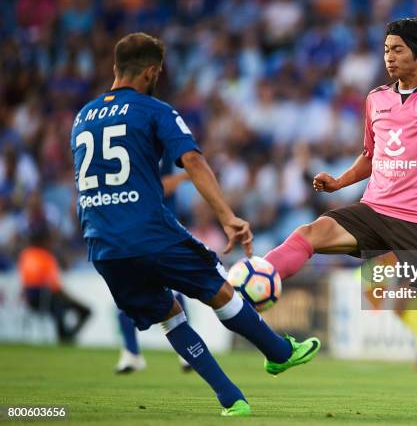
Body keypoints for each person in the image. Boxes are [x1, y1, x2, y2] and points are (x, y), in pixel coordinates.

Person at [265, 18, 417, 413]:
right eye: (386, 49)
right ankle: (258, 282)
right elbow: (370, 156)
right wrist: (339, 183)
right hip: (374, 209)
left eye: (397, 49)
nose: (389, 57)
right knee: (310, 232)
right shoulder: (376, 99)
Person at [70, 32, 320, 417]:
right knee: (219, 289)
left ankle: (231, 398)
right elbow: (193, 161)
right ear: (152, 71)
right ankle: (278, 352)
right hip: (149, 231)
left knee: (169, 315)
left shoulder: (82, 118)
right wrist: (228, 216)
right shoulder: (155, 110)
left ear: (115, 68)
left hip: (102, 243)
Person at [114, 170, 193, 374]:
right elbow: (151, 189)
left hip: (160, 230)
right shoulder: (139, 155)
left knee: (172, 292)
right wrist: (181, 178)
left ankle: (186, 352)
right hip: (139, 231)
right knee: (130, 294)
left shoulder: (157, 151)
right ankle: (131, 352)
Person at [18, 226, 91, 343]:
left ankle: (67, 336)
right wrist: (73, 300)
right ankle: (66, 337)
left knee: (58, 306)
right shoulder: (46, 258)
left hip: (30, 300)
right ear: (43, 241)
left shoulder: (26, 255)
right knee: (84, 310)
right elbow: (55, 287)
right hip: (44, 298)